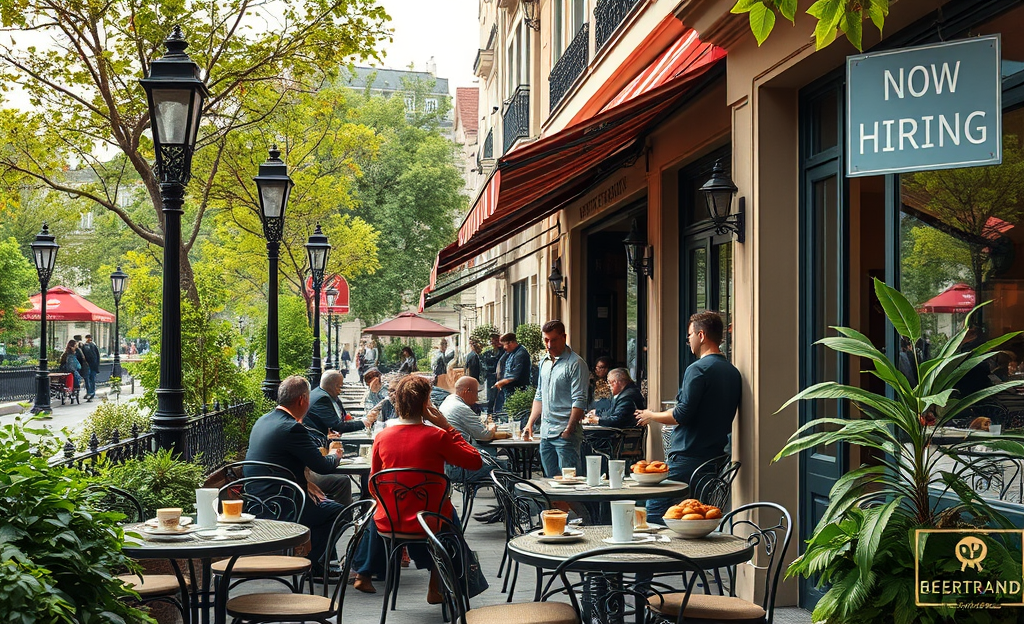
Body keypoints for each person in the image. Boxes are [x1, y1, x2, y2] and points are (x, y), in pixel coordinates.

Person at [351, 375, 482, 599]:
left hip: (391, 521)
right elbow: (475, 461)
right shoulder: (438, 436)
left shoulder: (382, 437)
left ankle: (364, 572)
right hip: (430, 520)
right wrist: (447, 426)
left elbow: (374, 483)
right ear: (426, 404)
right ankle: (436, 584)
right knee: (449, 518)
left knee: (380, 508)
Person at [635, 311, 741, 527]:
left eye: (690, 335)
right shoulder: (732, 372)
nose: (688, 341)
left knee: (653, 515)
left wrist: (650, 415)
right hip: (713, 459)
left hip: (687, 458)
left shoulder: (698, 369)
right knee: (693, 520)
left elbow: (682, 414)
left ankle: (655, 559)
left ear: (701, 335)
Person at [243, 376, 345, 577]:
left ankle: (321, 560)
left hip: (256, 500)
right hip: (282, 504)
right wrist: (336, 454)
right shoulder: (292, 428)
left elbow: (277, 462)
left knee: (324, 501)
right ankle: (311, 564)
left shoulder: (263, 420)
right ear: (302, 400)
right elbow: (323, 466)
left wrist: (304, 482)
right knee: (339, 513)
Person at [522, 321, 589, 478]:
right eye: (546, 340)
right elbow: (539, 395)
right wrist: (530, 423)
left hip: (565, 435)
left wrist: (568, 430)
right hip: (545, 434)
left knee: (571, 486)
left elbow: (579, 400)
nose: (549, 344)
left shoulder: (576, 363)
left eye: (554, 340)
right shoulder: (544, 362)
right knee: (550, 484)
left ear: (564, 337)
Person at [304, 370, 376, 505]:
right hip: (321, 450)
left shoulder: (328, 396)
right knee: (345, 477)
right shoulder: (321, 399)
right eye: (340, 386)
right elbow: (337, 426)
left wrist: (354, 420)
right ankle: (345, 517)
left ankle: (362, 502)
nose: (341, 390)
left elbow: (342, 417)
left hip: (327, 446)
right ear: (331, 385)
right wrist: (363, 423)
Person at [492, 332, 531, 415]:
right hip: (509, 391)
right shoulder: (511, 353)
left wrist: (501, 382)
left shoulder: (521, 354)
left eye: (504, 345)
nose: (504, 348)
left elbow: (515, 374)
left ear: (511, 342)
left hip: (517, 391)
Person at [480, 332, 503, 413]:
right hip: (491, 378)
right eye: (493, 341)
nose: (494, 343)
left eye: (496, 341)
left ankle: (498, 412)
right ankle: (490, 413)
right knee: (491, 397)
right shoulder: (487, 353)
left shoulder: (503, 352)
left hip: (500, 378)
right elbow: (484, 366)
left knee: (500, 397)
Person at [80, 334, 101, 401]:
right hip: (91, 366)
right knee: (90, 379)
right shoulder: (91, 346)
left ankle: (90, 392)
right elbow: (97, 357)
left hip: (89, 366)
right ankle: (91, 392)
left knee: (89, 379)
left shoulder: (88, 346)